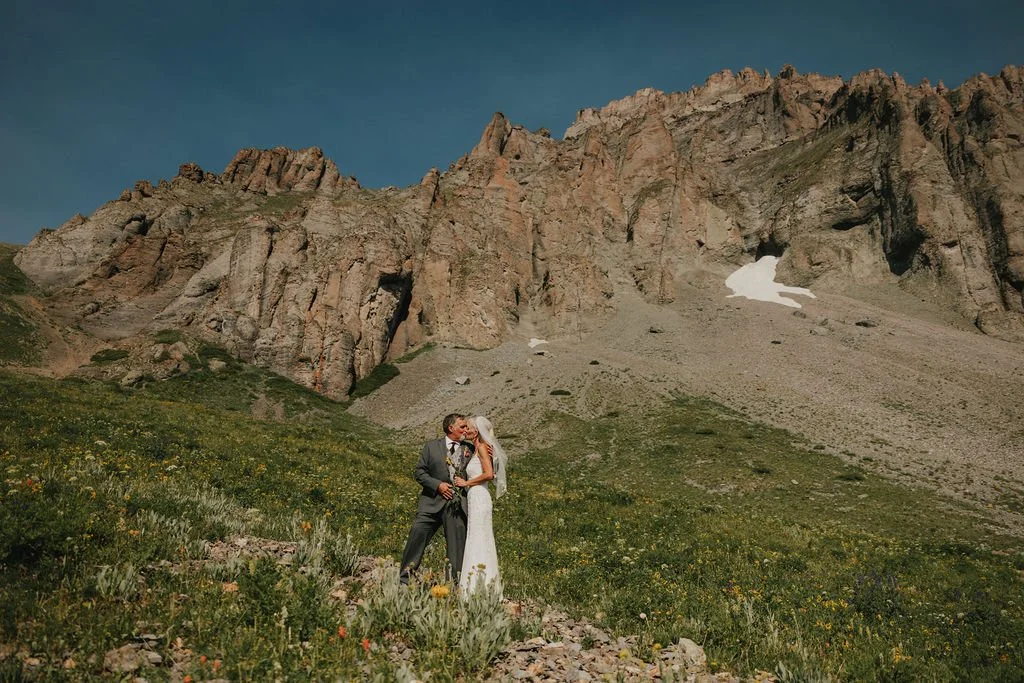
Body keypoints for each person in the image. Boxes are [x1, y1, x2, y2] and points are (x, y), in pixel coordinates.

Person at [399, 413, 470, 585]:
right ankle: (405, 579)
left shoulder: (470, 448)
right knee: (417, 536)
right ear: (450, 428)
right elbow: (420, 472)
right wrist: (438, 485)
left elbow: (486, 468)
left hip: (456, 506)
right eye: (462, 426)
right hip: (430, 503)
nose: (466, 430)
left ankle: (454, 584)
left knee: (456, 546)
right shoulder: (431, 447)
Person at [454, 415, 508, 596]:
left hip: (479, 497)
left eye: (468, 428)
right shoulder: (477, 447)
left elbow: (489, 474)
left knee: (479, 537)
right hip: (475, 497)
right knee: (476, 537)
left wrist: (466, 483)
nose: (466, 430)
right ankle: (477, 585)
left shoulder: (483, 447)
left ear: (477, 431)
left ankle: (477, 587)